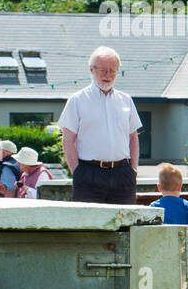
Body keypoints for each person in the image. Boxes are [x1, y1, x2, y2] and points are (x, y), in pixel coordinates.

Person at [58, 46, 142, 204]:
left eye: (113, 70)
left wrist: (133, 170)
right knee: (88, 226)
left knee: (125, 226)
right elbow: (68, 140)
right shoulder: (77, 100)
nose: (108, 75)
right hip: (88, 174)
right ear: (91, 70)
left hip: (123, 174)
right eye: (103, 70)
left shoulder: (126, 100)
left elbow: (133, 138)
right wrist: (77, 172)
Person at [150, 162, 188, 289]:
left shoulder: (154, 206)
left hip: (160, 250)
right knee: (179, 279)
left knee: (163, 277)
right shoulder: (185, 205)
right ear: (180, 186)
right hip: (180, 249)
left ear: (159, 187)